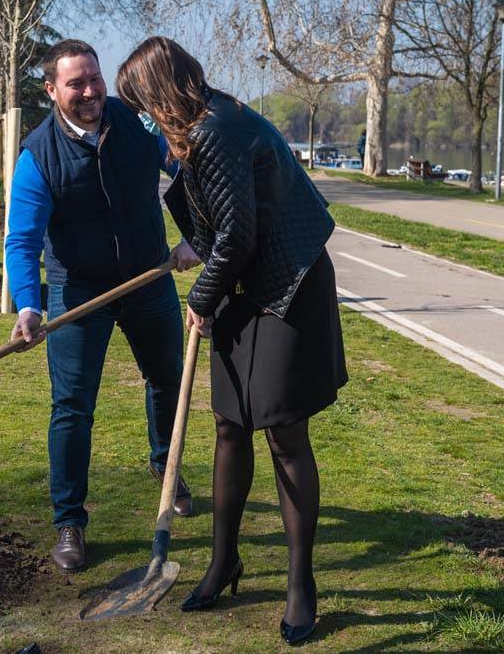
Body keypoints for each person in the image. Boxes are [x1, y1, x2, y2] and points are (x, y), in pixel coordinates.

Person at [116, 37, 347, 645]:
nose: (143, 116)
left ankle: (300, 585)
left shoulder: (216, 129)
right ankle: (225, 561)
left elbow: (240, 234)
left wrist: (200, 297)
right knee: (229, 424)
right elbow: (228, 217)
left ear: (161, 93)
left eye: (142, 103)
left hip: (287, 286)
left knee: (284, 434)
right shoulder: (198, 127)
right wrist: (199, 252)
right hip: (243, 284)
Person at [5, 39, 202, 573]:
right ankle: (70, 520)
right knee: (72, 406)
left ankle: (166, 467)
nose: (90, 91)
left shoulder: (135, 121)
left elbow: (187, 169)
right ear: (52, 90)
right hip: (78, 292)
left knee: (167, 379)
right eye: (76, 83)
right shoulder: (38, 155)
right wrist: (28, 306)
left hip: (148, 278)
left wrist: (195, 236)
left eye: (95, 78)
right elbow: (22, 240)